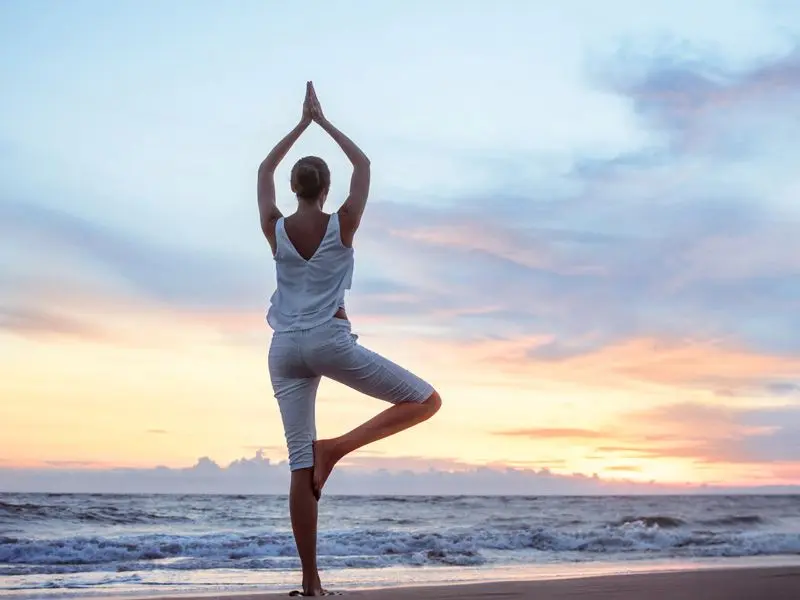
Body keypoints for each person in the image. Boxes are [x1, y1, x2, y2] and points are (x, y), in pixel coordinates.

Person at [257, 82, 442, 597]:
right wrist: (324, 122)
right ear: (325, 187)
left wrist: (298, 126)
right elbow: (363, 166)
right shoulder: (343, 223)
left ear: (295, 187)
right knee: (425, 400)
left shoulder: (275, 229)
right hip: (327, 341)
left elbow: (261, 173)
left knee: (299, 464)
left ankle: (311, 585)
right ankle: (336, 449)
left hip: (282, 350)